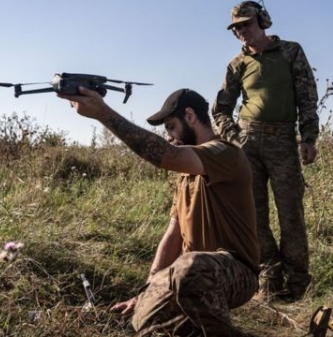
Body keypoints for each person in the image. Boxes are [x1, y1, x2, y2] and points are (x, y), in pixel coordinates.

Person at [58, 87, 260, 336]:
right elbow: (174, 232)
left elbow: (168, 156)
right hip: (190, 274)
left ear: (190, 116)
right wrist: (147, 290)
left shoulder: (227, 154)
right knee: (142, 323)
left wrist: (102, 112)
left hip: (235, 272)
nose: (169, 136)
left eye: (171, 127)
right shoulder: (187, 173)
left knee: (189, 268)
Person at [212, 1, 320, 303]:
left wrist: (308, 137)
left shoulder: (290, 51)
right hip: (248, 143)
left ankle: (298, 284)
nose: (241, 31)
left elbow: (307, 96)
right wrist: (233, 137)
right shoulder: (237, 65)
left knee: (291, 214)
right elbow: (220, 108)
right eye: (236, 28)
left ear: (262, 21)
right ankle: (269, 280)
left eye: (246, 24)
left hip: (283, 140)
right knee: (254, 215)